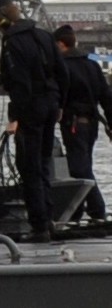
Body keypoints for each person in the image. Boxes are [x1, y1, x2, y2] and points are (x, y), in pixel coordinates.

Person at [0, 0, 69, 242]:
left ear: (2, 17)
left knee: (29, 167)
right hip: (50, 105)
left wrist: (15, 117)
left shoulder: (12, 42)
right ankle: (51, 220)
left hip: (31, 109)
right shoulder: (45, 36)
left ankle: (39, 228)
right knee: (45, 164)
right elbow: (62, 73)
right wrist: (60, 105)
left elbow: (21, 83)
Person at [55, 24, 112, 223]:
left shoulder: (62, 67)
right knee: (83, 164)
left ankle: (97, 210)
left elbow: (57, 95)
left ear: (61, 45)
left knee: (79, 168)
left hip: (73, 123)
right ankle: (76, 212)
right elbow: (106, 97)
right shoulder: (92, 66)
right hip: (92, 124)